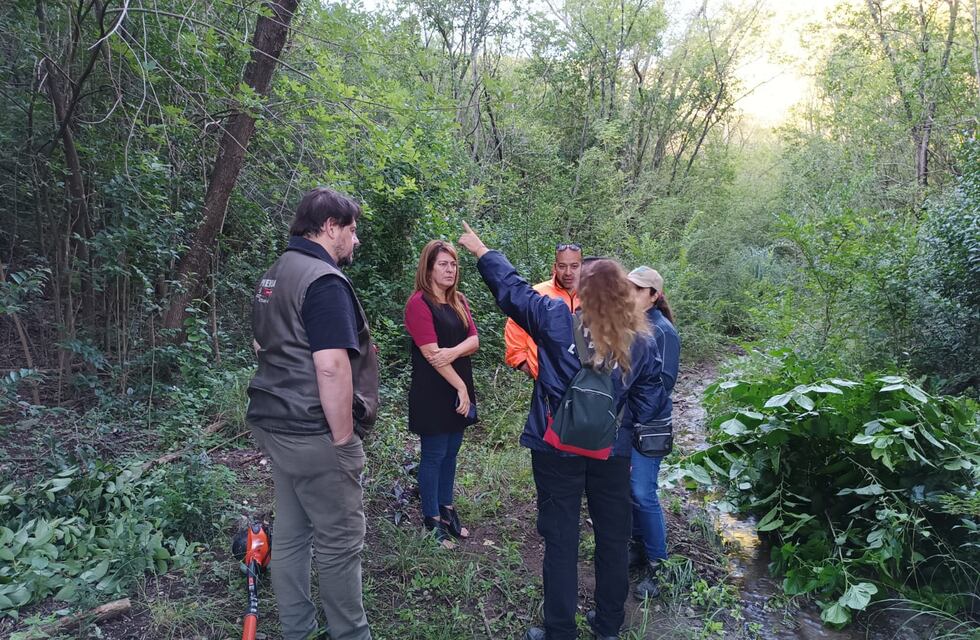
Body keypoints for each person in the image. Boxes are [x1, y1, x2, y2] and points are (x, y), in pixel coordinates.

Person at [457, 223, 667, 640]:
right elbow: (650, 402)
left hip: (557, 448)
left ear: (583, 293)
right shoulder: (644, 340)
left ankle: (559, 630)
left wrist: (482, 249)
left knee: (560, 539)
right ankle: (608, 626)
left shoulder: (555, 320)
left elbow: (513, 291)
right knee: (612, 540)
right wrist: (635, 447)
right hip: (613, 453)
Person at [246, 187, 378, 640]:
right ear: (329, 227)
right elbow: (330, 365)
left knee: (291, 535)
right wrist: (342, 439)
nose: (355, 240)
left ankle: (297, 631)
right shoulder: (323, 281)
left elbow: (263, 345)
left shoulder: (275, 273)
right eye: (352, 230)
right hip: (313, 431)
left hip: (274, 424)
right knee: (340, 544)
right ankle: (351, 634)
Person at [404, 240, 480, 547]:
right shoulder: (418, 304)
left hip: (459, 387)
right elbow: (430, 355)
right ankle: (431, 519)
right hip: (434, 392)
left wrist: (453, 352)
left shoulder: (459, 299)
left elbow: (473, 341)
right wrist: (459, 385)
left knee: (452, 453)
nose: (450, 270)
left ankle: (447, 510)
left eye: (453, 265)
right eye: (443, 265)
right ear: (429, 268)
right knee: (434, 455)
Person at [625, 266, 680, 600]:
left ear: (654, 296)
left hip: (650, 427)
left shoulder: (664, 332)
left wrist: (632, 411)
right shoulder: (635, 324)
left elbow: (664, 384)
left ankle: (660, 565)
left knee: (643, 492)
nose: (630, 294)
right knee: (629, 490)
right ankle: (637, 548)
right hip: (629, 423)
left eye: (638, 289)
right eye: (628, 287)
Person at [504, 243, 582, 378]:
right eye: (562, 266)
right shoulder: (538, 294)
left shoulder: (593, 296)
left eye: (574, 266)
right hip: (547, 379)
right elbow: (515, 326)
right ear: (555, 267)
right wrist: (523, 363)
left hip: (585, 381)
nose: (568, 272)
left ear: (582, 266)